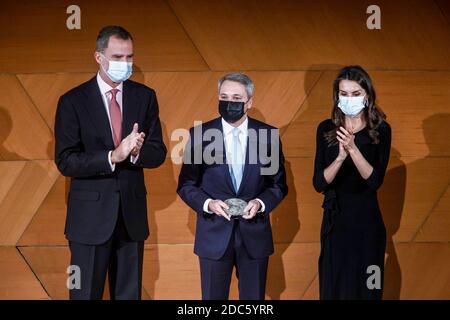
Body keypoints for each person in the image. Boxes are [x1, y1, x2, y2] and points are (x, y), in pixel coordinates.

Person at [54, 25, 167, 300]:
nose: (125, 64)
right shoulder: (72, 101)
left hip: (131, 217)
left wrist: (137, 152)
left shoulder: (145, 96)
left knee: (128, 295)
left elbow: (159, 151)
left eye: (129, 57)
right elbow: (66, 161)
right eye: (118, 57)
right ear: (98, 57)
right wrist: (112, 157)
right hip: (89, 221)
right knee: (84, 293)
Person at [177, 73, 288, 300]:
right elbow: (186, 184)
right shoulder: (200, 135)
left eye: (236, 97)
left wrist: (260, 202)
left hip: (254, 235)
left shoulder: (268, 136)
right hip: (213, 234)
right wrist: (208, 204)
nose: (229, 102)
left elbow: (278, 185)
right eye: (224, 96)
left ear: (249, 102)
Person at [313, 65, 391, 299]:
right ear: (337, 96)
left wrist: (354, 149)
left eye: (355, 94)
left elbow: (375, 181)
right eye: (344, 94)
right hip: (335, 224)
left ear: (367, 95)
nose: (349, 99)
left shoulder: (381, 130)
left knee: (368, 290)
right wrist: (339, 157)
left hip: (367, 225)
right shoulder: (326, 129)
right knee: (333, 289)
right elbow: (319, 183)